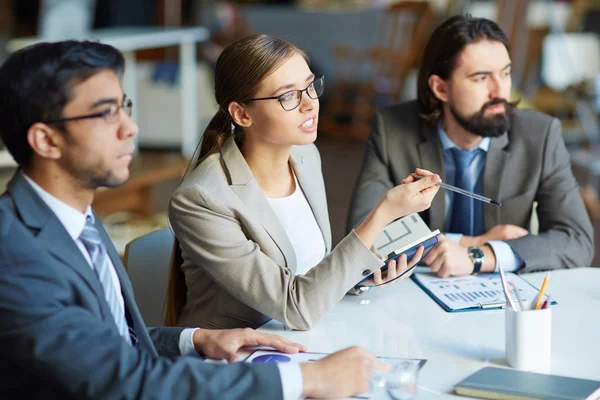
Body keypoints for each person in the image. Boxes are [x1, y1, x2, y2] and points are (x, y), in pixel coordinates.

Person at [0, 40, 388, 400]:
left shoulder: (78, 221)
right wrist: (306, 379)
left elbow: (107, 341)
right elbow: (120, 379)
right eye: (104, 114)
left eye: (124, 107)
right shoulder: (14, 253)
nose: (130, 128)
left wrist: (195, 340)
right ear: (46, 141)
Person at [166, 34, 441, 331]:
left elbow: (311, 273)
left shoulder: (305, 156)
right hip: (231, 361)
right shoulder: (201, 199)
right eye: (288, 96)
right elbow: (294, 307)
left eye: (310, 86)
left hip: (296, 343)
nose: (310, 104)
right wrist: (384, 212)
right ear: (242, 114)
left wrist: (361, 274)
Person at [347, 15, 594, 278]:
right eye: (481, 78)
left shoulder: (540, 134)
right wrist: (472, 242)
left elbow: (577, 241)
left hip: (505, 298)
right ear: (440, 88)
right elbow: (359, 242)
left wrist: (481, 255)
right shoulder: (392, 130)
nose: (500, 91)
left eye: (506, 73)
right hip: (412, 299)